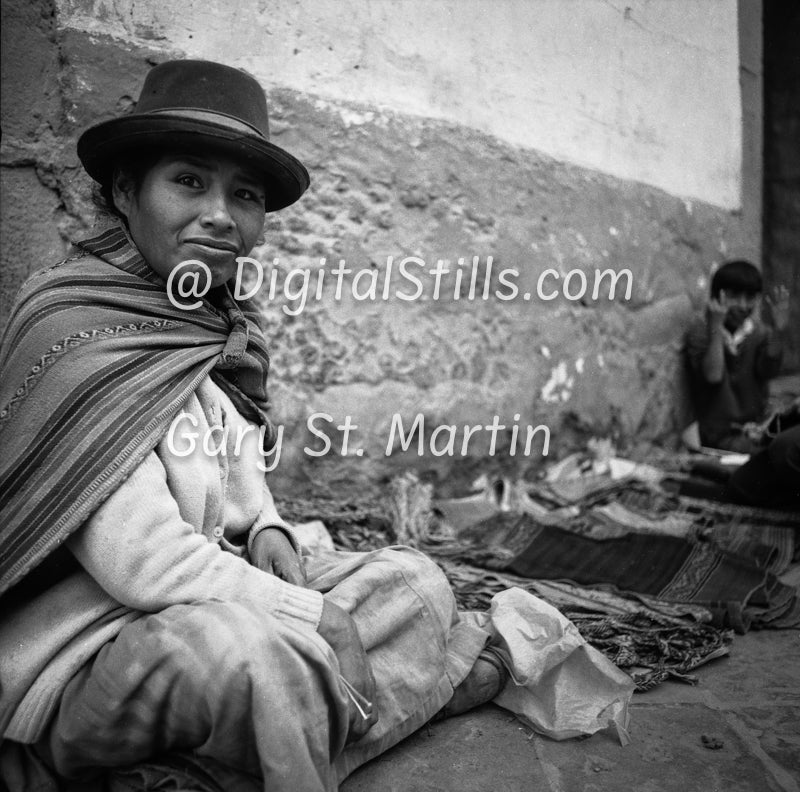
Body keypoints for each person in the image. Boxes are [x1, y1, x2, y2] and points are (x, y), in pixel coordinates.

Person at [0, 60, 630, 792]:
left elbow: (235, 471)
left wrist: (265, 524)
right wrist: (316, 616)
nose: (219, 215)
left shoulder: (211, 322)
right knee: (257, 655)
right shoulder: (75, 327)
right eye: (189, 181)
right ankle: (411, 700)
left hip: (209, 585)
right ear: (124, 190)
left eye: (245, 195)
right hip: (94, 645)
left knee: (414, 583)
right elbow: (142, 561)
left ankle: (246, 758)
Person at [684, 259, 790, 453]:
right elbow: (713, 376)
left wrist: (778, 331)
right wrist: (716, 328)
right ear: (717, 298)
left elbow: (768, 370)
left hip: (756, 428)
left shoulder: (760, 333)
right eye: (734, 296)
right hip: (719, 435)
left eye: (750, 297)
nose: (743, 305)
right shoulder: (701, 332)